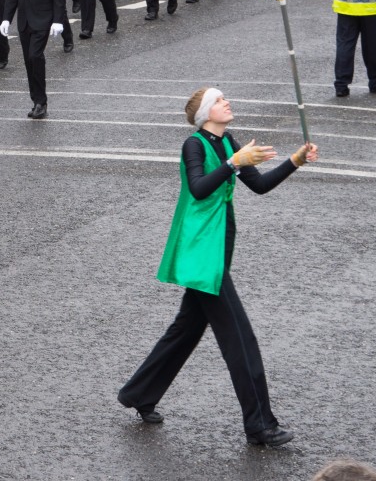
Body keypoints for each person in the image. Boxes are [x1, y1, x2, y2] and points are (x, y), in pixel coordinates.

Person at [117, 88, 318, 447]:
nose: (227, 102)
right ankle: (260, 424)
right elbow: (197, 189)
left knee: (186, 328)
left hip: (218, 244)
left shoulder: (229, 143)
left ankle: (139, 393)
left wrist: (295, 160)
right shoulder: (194, 144)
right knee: (240, 337)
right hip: (201, 250)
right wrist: (233, 163)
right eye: (220, 100)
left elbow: (258, 185)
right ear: (207, 111)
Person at [0, 0, 65, 119]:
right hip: (24, 19)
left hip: (43, 18)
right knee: (29, 60)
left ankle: (41, 102)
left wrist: (58, 19)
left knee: (35, 55)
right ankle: (36, 100)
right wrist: (6, 18)